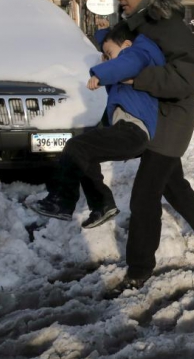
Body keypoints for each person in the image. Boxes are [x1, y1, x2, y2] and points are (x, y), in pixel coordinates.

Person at [108, 0, 194, 291]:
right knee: (172, 182)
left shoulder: (166, 24)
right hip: (154, 113)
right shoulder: (138, 21)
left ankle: (138, 269)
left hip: (172, 117)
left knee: (144, 194)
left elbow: (187, 78)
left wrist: (137, 77)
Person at [28, 22, 164, 229]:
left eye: (108, 55)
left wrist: (101, 73)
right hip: (127, 131)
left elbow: (124, 62)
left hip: (133, 131)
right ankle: (102, 205)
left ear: (127, 45)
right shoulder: (125, 58)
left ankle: (61, 202)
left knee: (76, 147)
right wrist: (103, 34)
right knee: (84, 154)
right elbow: (116, 54)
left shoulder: (137, 54)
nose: (106, 59)